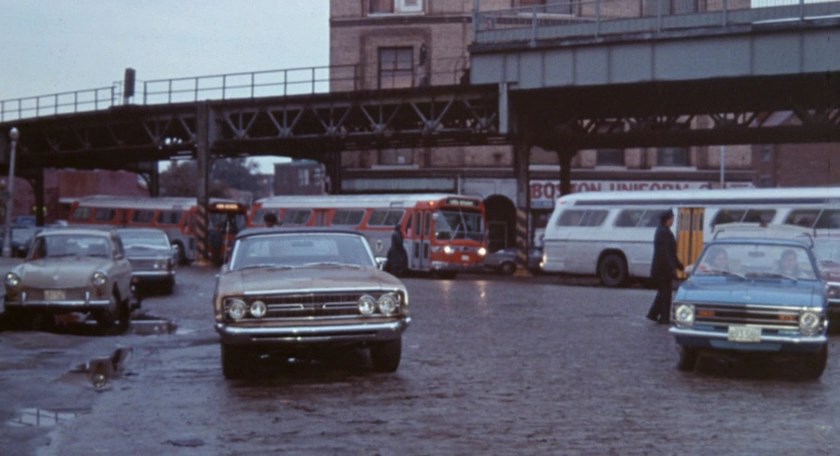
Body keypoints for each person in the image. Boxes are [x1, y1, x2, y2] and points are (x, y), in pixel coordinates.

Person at [646, 210, 684, 324]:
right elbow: (666, 253)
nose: (673, 221)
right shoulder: (664, 232)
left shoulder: (662, 231)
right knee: (665, 294)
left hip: (662, 269)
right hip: (663, 270)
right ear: (667, 220)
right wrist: (673, 267)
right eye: (672, 218)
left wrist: (678, 265)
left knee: (663, 292)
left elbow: (669, 253)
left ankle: (653, 314)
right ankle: (663, 317)